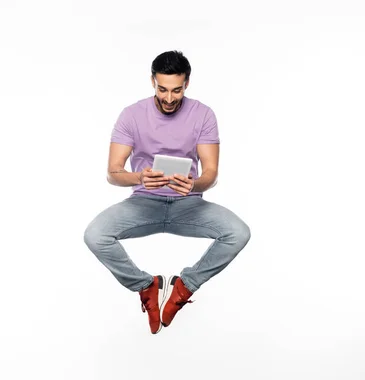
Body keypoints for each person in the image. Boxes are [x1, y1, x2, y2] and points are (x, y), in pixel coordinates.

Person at [83, 50, 251, 334]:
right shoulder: (131, 115)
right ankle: (147, 286)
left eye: (176, 90)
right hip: (143, 203)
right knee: (95, 235)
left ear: (187, 84)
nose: (169, 98)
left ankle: (184, 286)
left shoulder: (203, 114)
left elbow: (210, 173)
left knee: (239, 232)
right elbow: (113, 172)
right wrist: (139, 177)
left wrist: (194, 184)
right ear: (152, 82)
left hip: (188, 204)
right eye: (162, 89)